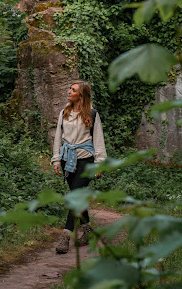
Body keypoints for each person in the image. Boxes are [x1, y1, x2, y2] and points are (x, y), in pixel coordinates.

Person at [51, 81, 107, 254]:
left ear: (81, 96)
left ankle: (65, 237)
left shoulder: (92, 114)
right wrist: (55, 159)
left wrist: (100, 163)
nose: (69, 91)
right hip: (68, 159)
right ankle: (88, 231)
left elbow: (98, 139)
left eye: (73, 90)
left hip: (86, 161)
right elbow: (58, 138)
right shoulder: (64, 112)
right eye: (70, 89)